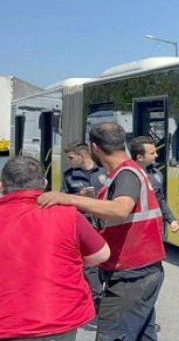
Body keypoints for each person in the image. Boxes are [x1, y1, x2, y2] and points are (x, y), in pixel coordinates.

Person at [38, 122, 166, 341]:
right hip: (143, 271)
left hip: (131, 274)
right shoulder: (126, 172)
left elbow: (120, 209)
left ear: (95, 148)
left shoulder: (125, 174)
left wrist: (68, 198)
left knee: (112, 335)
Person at [0, 156, 110, 341]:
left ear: (2, 186)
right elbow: (102, 254)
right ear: (44, 184)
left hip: (9, 323)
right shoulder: (67, 214)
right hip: (60, 318)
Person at [61, 141, 108, 312]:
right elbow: (63, 200)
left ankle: (105, 293)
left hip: (106, 224)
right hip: (84, 225)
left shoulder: (105, 172)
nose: (69, 161)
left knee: (106, 260)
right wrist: (78, 196)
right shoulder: (69, 176)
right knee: (89, 264)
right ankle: (97, 298)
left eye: (71, 158)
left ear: (84, 155)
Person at [129, 136, 179, 238]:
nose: (156, 155)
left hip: (154, 228)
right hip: (134, 231)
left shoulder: (156, 174)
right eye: (152, 153)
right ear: (140, 157)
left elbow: (160, 199)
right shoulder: (127, 175)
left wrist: (171, 220)